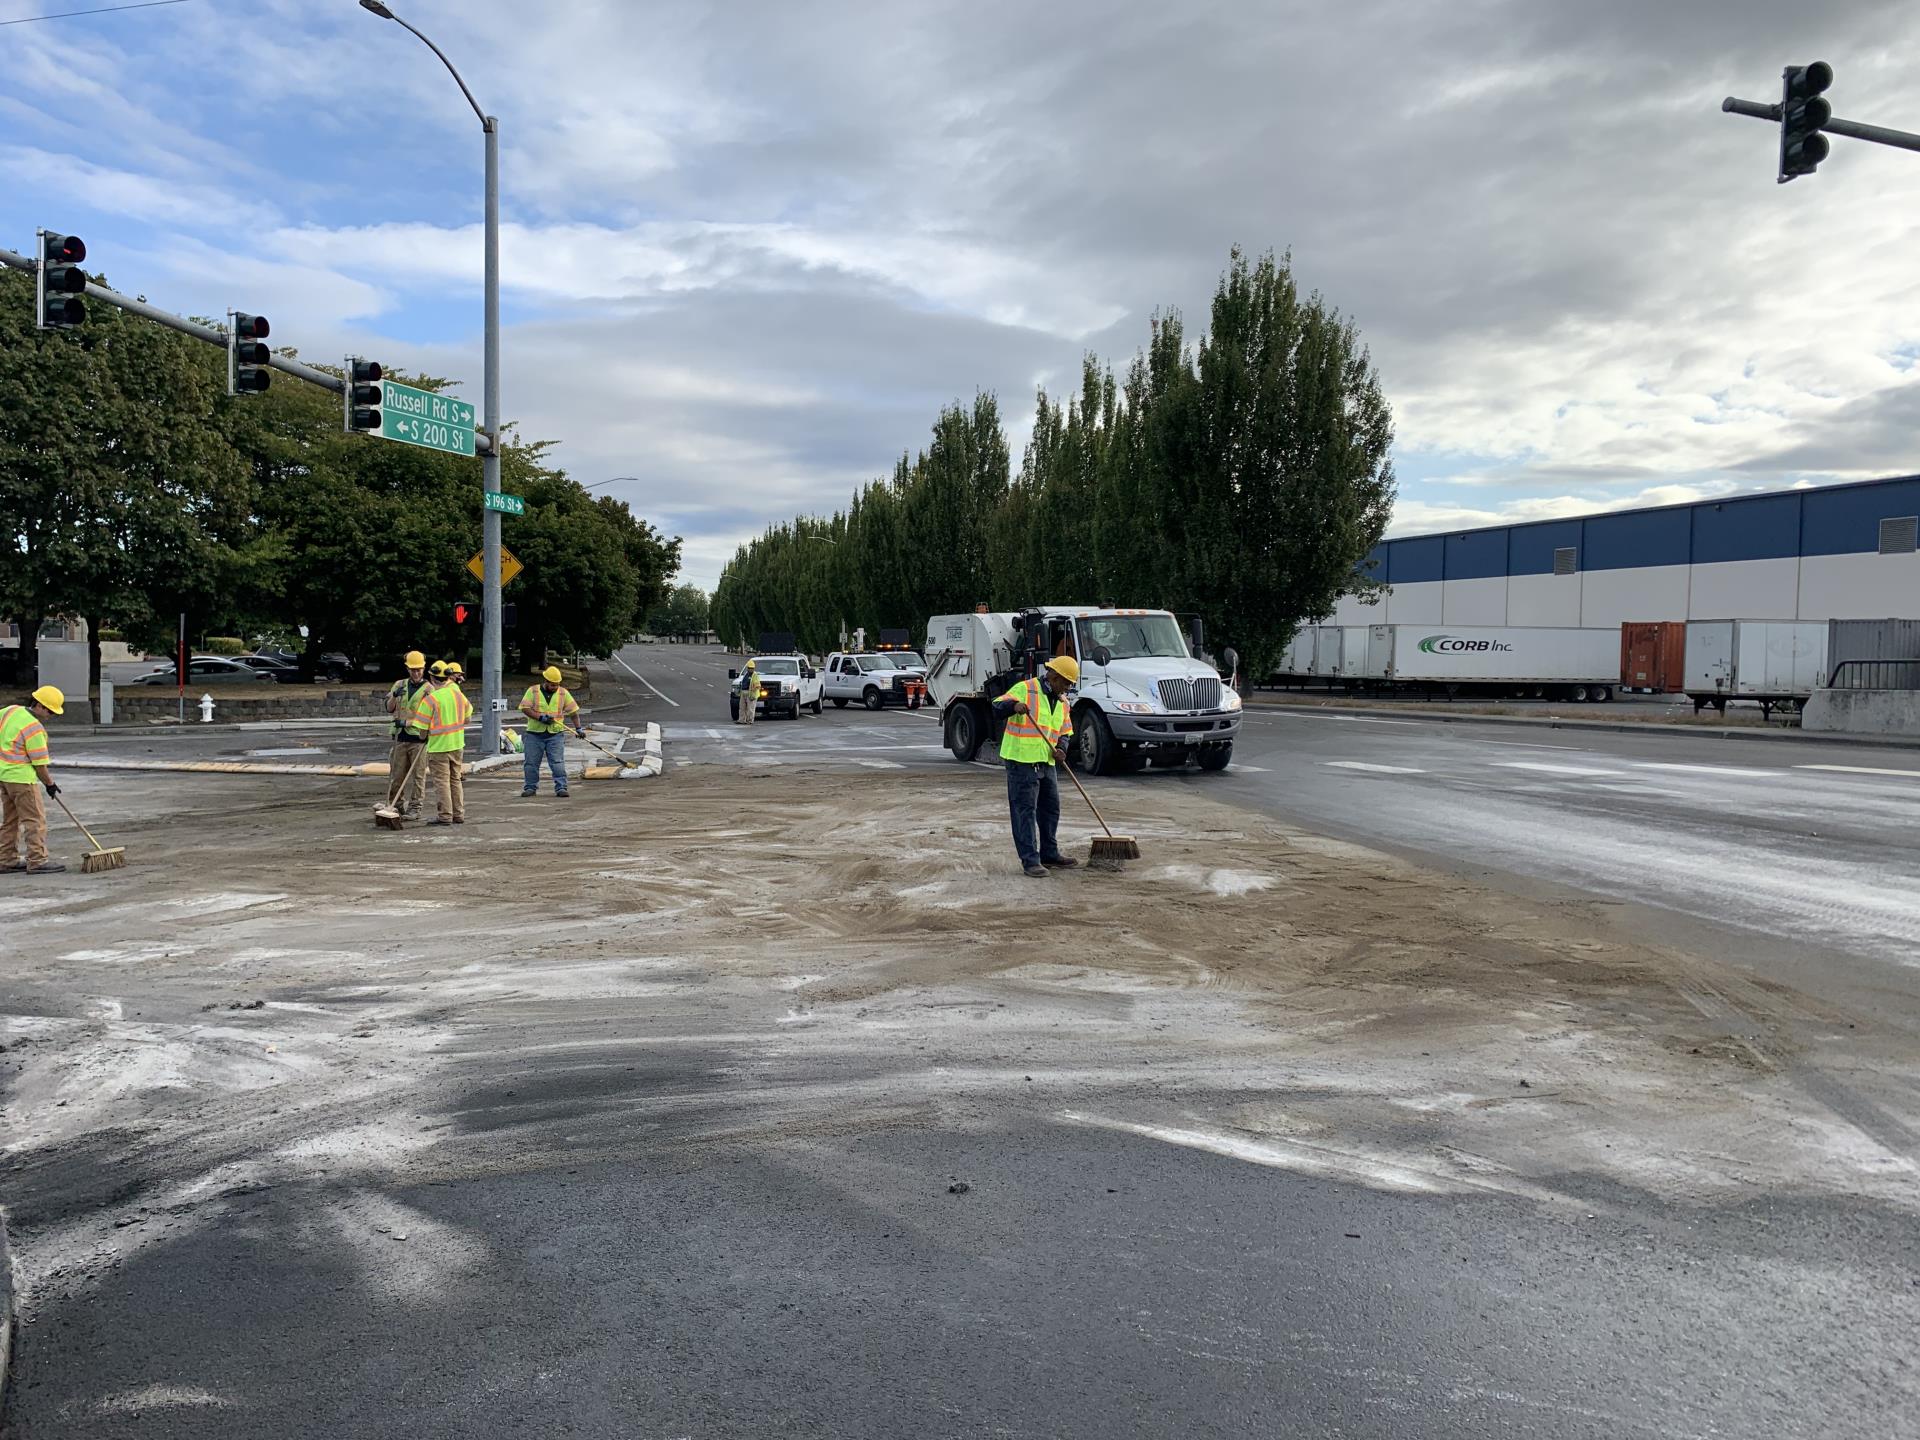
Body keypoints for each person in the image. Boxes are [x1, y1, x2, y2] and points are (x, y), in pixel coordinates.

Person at [994, 656, 1080, 878]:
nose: (1067, 688)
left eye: (1070, 684)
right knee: (1025, 811)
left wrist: (1062, 747)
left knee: (1051, 808)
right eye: (1066, 682)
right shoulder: (1026, 689)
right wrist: (1014, 706)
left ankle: (1049, 854)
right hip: (1021, 760)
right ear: (1053, 676)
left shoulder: (1062, 702)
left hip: (1046, 760)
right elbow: (996, 706)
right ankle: (1030, 860)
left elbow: (1065, 730)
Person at [1, 685, 67, 874]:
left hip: (4, 777)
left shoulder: (9, 711)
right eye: (49, 711)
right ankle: (37, 860)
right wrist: (50, 784)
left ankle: (6, 859)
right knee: (35, 820)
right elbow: (39, 766)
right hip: (22, 780)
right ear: (39, 705)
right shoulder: (34, 728)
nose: (50, 715)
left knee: (10, 820)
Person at [412, 661, 473, 827]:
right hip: (457, 744)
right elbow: (467, 717)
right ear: (447, 677)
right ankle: (458, 814)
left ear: (431, 678)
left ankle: (445, 815)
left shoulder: (431, 700)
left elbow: (422, 729)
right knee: (455, 780)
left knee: (442, 782)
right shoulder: (458, 695)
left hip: (439, 748)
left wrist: (425, 737)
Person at [518, 664, 583, 798]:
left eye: (557, 684)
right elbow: (525, 708)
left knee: (557, 762)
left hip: (555, 735)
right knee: (531, 763)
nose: (555, 687)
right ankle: (530, 788)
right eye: (552, 684)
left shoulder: (563, 693)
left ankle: (561, 787)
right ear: (546, 681)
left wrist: (578, 728)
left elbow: (573, 712)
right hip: (534, 734)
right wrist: (540, 717)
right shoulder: (533, 691)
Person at [384, 650, 434, 818]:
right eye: (413, 669)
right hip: (400, 737)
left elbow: (429, 716)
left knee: (418, 776)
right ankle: (395, 805)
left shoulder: (429, 689)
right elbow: (389, 708)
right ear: (408, 669)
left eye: (419, 669)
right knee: (396, 775)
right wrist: (393, 696)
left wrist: (406, 722)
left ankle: (415, 807)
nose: (416, 672)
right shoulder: (399, 685)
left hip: (418, 739)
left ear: (424, 668)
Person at [735, 659, 759, 726]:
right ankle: (742, 720)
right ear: (747, 668)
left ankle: (750, 720)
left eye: (752, 668)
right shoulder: (746, 674)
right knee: (742, 707)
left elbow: (758, 685)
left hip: (750, 694)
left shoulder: (755, 675)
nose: (751, 669)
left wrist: (753, 693)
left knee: (750, 708)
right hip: (743, 693)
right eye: (749, 668)